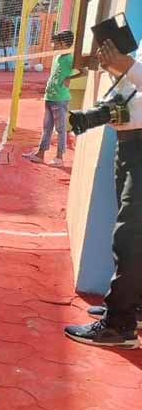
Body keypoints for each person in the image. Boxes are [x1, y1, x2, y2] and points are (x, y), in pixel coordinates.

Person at [64, 38, 142, 349]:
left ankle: (119, 326)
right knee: (131, 234)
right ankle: (132, 306)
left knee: (131, 236)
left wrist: (128, 67)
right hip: (130, 141)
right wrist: (116, 70)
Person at [23, 31, 77, 167]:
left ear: (63, 43)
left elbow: (84, 71)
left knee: (60, 129)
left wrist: (70, 78)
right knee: (47, 128)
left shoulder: (69, 58)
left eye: (56, 43)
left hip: (60, 99)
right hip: (50, 97)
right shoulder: (57, 56)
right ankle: (40, 154)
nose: (53, 45)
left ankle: (59, 157)